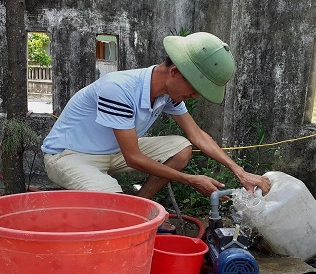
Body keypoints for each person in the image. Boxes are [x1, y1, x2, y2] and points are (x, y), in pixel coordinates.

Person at [41, 31, 271, 199]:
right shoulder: (119, 89)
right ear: (174, 72)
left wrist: (239, 172)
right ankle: (124, 219)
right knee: (114, 201)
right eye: (193, 90)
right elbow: (133, 158)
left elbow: (196, 135)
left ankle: (141, 205)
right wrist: (191, 180)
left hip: (112, 151)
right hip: (69, 155)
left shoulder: (168, 94)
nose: (194, 96)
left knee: (181, 148)